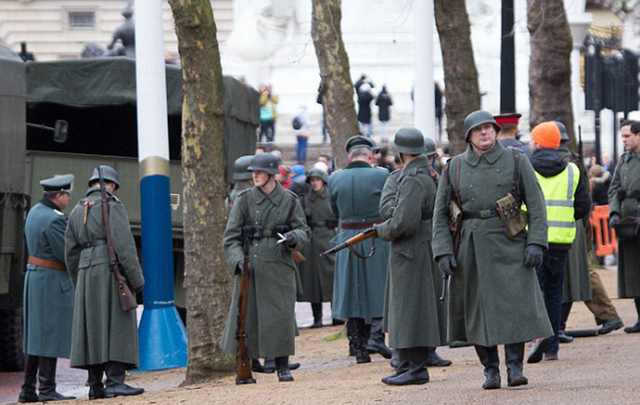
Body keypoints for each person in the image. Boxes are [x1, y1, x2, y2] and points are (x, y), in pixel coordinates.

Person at [432, 110, 552, 390]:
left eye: (488, 128)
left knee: (514, 307)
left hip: (510, 240)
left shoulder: (516, 160)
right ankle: (490, 370)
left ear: (496, 132)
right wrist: (443, 251)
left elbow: (536, 204)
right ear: (469, 136)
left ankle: (514, 367)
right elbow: (440, 214)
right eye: (478, 130)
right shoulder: (455, 167)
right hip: (470, 245)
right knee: (477, 311)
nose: (484, 133)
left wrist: (536, 242)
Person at [221, 153, 310, 382]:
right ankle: (246, 366)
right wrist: (237, 260)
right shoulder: (243, 200)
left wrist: (294, 238)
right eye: (253, 172)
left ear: (271, 174)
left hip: (279, 265)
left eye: (259, 172)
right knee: (246, 319)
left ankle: (282, 365)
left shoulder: (290, 200)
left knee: (281, 317)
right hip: (250, 266)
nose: (255, 176)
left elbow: (304, 231)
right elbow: (230, 238)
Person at [374, 128, 448, 386]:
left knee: (412, 309)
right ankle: (406, 363)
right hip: (416, 248)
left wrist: (380, 230)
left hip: (411, 249)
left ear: (401, 151)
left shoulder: (413, 178)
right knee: (406, 308)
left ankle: (416, 368)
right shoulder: (423, 174)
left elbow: (404, 222)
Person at [65, 165, 145, 399]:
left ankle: (94, 385)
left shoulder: (76, 211)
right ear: (111, 185)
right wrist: (137, 280)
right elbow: (125, 247)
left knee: (92, 329)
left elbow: (70, 252)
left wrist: (78, 281)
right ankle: (115, 381)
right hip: (111, 271)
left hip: (85, 271)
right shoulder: (113, 206)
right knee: (116, 324)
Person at [525, 122, 591, 363]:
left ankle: (537, 337)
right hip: (562, 241)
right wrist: (563, 218)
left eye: (533, 140)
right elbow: (583, 206)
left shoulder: (527, 167)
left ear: (539, 143)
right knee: (554, 293)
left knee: (536, 291)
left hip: (534, 240)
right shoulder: (572, 170)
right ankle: (552, 346)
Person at [556, 122, 623, 340]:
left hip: (566, 225)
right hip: (575, 223)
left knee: (575, 273)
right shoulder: (573, 160)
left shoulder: (564, 162)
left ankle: (562, 324)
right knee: (575, 273)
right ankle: (563, 323)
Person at [328, 136, 392, 364]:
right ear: (369, 155)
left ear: (349, 157)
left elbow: (332, 208)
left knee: (352, 293)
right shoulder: (382, 175)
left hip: (347, 237)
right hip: (375, 237)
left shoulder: (334, 178)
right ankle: (376, 336)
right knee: (381, 288)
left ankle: (359, 348)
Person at [19, 174, 77, 403]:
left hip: (35, 279)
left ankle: (27, 389)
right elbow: (66, 254)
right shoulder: (54, 220)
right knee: (49, 335)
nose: (69, 200)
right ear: (59, 195)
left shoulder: (34, 212)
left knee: (35, 337)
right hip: (51, 280)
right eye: (67, 195)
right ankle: (46, 388)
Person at [608, 120, 640, 333]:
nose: (624, 140)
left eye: (627, 136)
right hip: (628, 223)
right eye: (622, 137)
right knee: (633, 271)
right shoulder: (624, 160)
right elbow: (614, 188)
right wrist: (615, 212)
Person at [296, 168, 338, 328]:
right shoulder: (305, 200)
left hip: (329, 239)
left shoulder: (331, 197)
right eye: (312, 181)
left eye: (317, 180)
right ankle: (317, 318)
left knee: (333, 278)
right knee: (312, 282)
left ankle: (337, 316)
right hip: (311, 243)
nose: (315, 183)